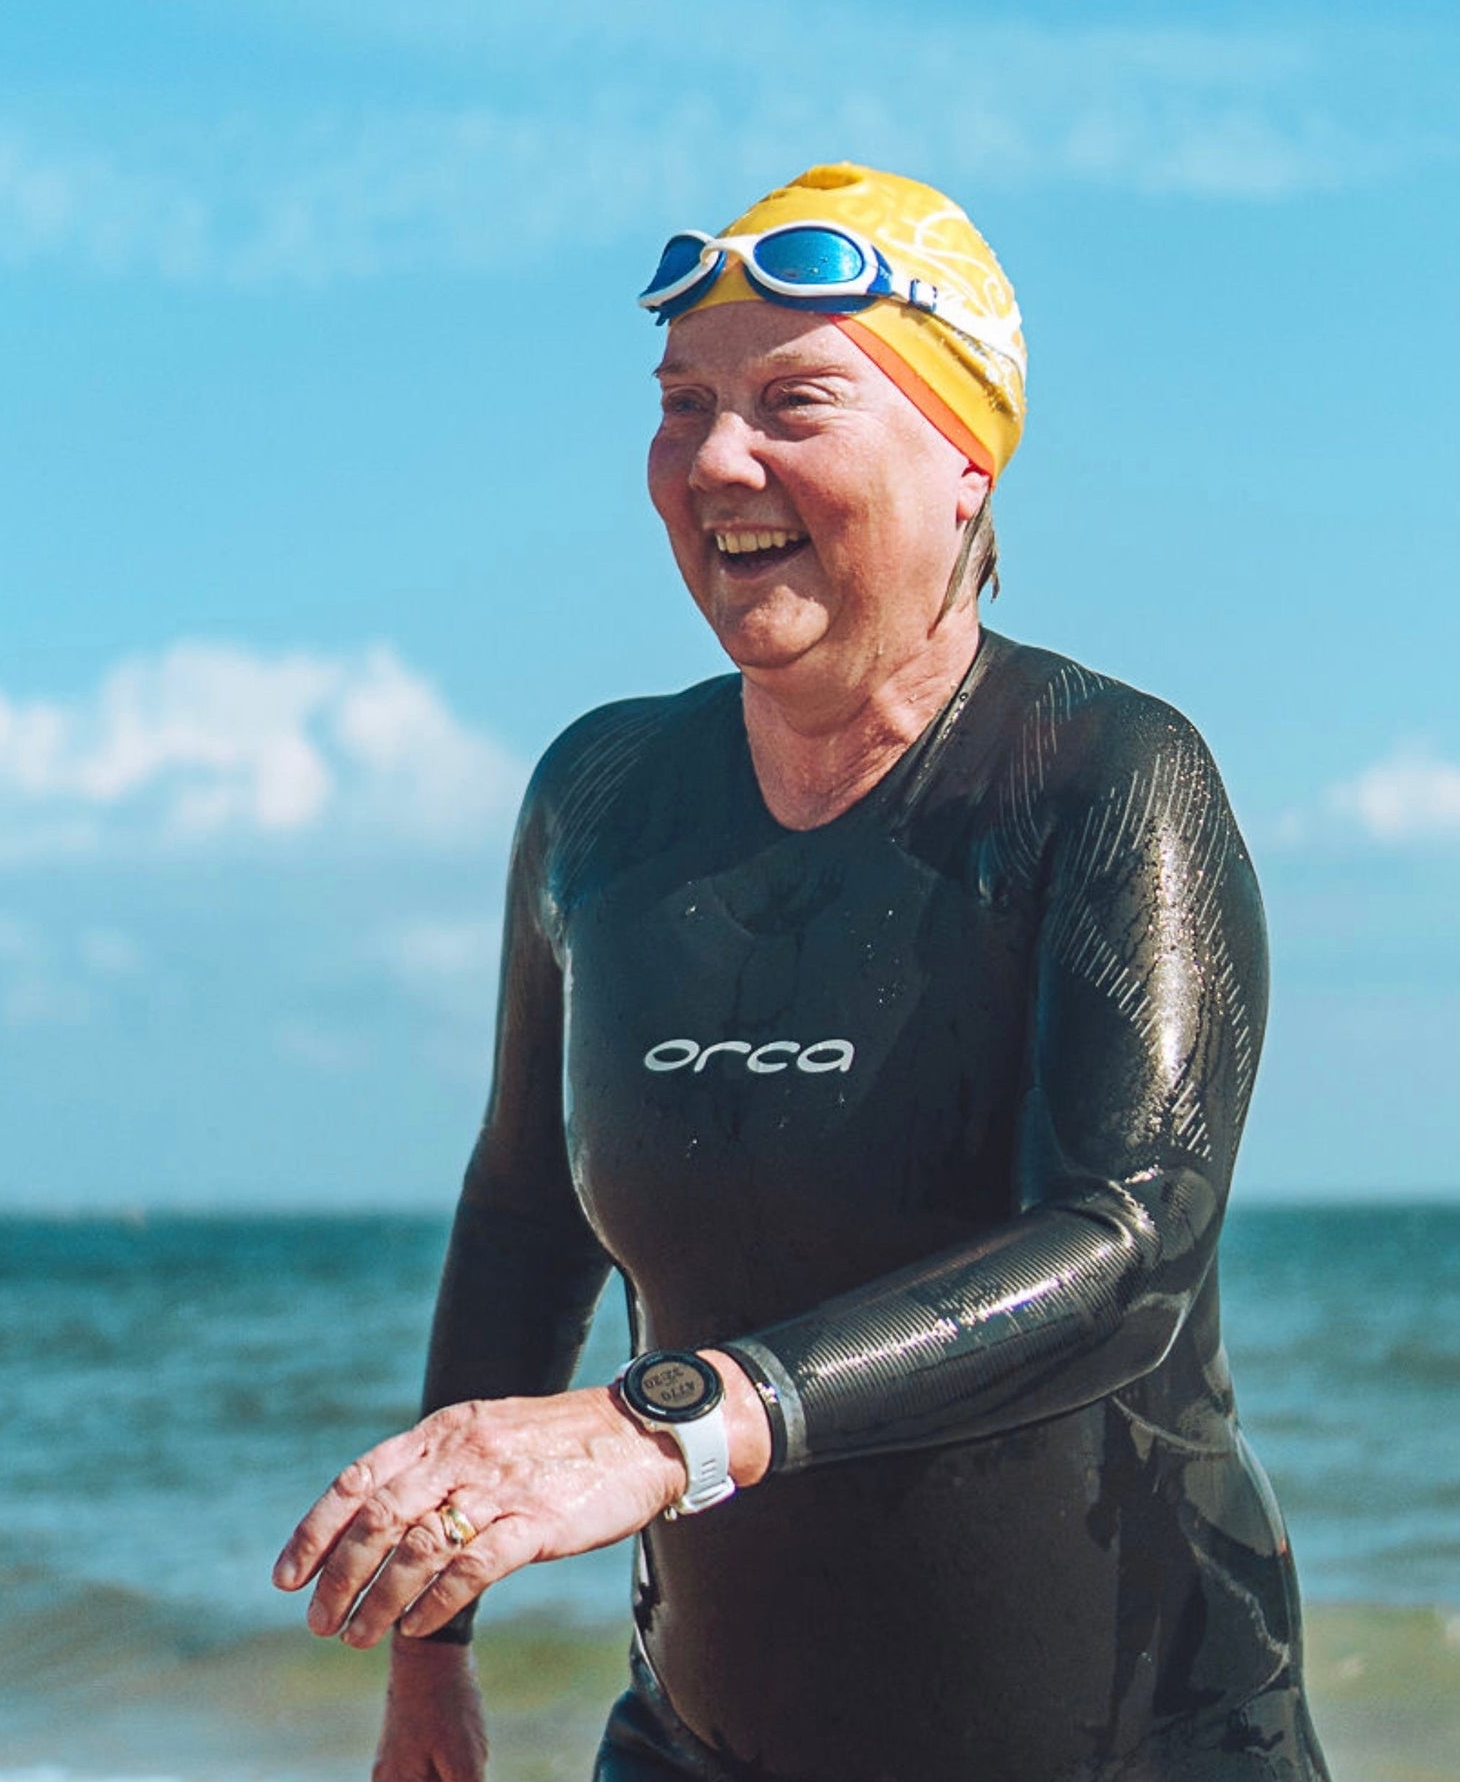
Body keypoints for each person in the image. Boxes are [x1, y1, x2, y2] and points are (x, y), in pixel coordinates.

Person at [274, 163, 1329, 1781]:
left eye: (795, 401)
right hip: (701, 1745)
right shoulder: (603, 802)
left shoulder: (1103, 778)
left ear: (966, 460)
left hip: (1134, 1739)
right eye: (683, 402)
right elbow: (521, 1218)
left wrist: (667, 1419)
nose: (716, 458)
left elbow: (1132, 1248)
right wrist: (432, 1653)